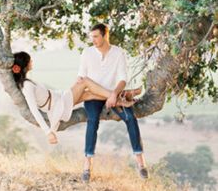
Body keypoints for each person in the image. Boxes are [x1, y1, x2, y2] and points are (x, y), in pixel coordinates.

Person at [12, 50, 140, 145]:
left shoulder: (28, 82)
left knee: (88, 93)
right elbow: (34, 110)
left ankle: (121, 98)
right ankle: (118, 96)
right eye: (30, 60)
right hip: (58, 106)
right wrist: (48, 132)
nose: (32, 62)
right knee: (85, 82)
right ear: (24, 65)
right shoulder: (26, 86)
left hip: (59, 98)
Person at [78, 22, 148, 182]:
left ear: (105, 35)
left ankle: (141, 162)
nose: (93, 40)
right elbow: (81, 77)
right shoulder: (87, 53)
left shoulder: (118, 53)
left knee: (130, 118)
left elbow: (123, 78)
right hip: (94, 96)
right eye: (91, 37)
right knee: (92, 120)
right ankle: (87, 165)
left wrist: (114, 94)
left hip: (114, 95)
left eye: (96, 36)